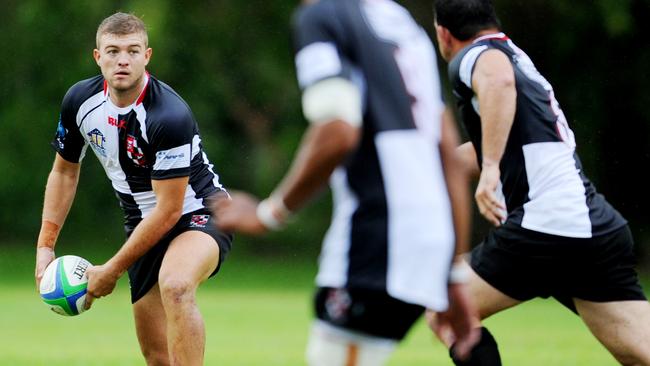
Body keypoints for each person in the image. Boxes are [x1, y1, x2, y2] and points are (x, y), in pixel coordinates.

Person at [212, 0, 479, 365]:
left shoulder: (322, 16)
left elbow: (337, 130)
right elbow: (447, 154)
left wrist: (267, 214)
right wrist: (451, 270)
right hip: (424, 238)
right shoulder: (401, 23)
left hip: (379, 239)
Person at [429, 0, 650, 365]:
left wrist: (491, 171)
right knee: (641, 351)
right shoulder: (513, 54)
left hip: (547, 222)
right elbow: (500, 142)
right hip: (590, 225)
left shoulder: (474, 56)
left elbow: (497, 83)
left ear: (443, 33)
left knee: (447, 311)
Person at [34, 12, 232, 366]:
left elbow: (170, 210)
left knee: (176, 286)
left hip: (198, 213)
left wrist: (112, 269)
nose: (122, 59)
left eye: (132, 50)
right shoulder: (79, 102)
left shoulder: (167, 115)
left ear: (147, 56)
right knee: (157, 356)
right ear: (98, 57)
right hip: (141, 222)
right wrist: (45, 248)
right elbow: (64, 173)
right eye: (112, 51)